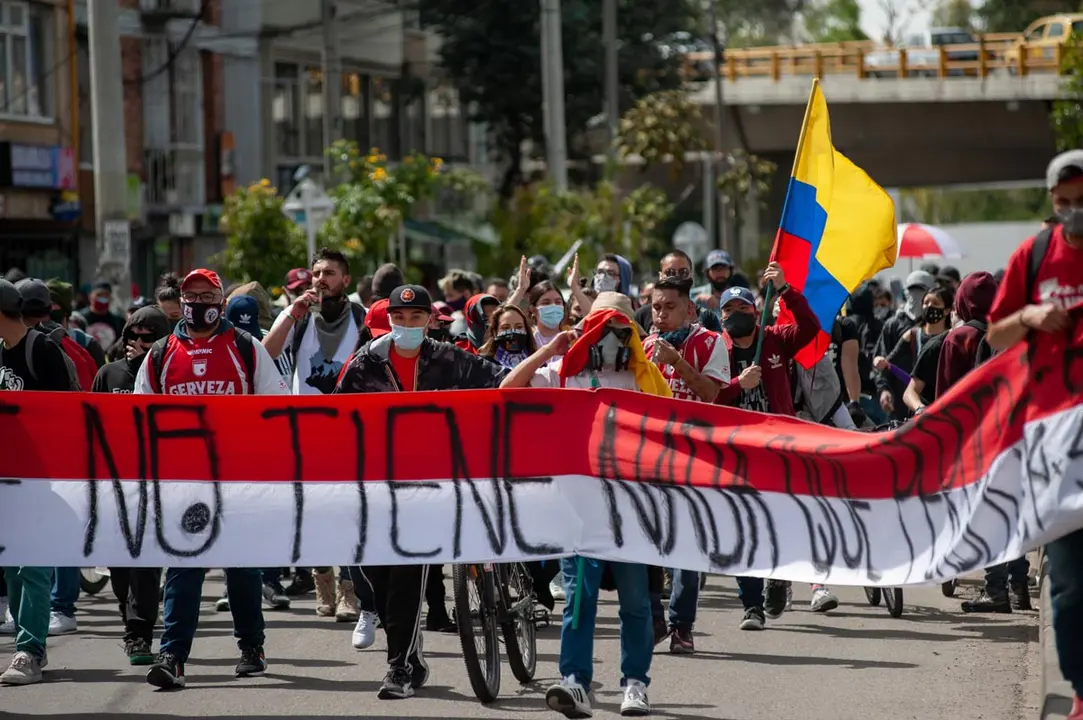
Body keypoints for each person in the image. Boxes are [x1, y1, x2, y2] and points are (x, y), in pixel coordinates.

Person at [500, 291, 668, 718]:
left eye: (618, 328)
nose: (609, 338)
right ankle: (575, 681)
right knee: (579, 597)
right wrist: (551, 351)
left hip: (631, 506)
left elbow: (675, 423)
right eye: (602, 326)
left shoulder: (644, 377)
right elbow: (507, 389)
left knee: (635, 599)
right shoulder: (563, 373)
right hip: (579, 505)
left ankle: (635, 683)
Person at [336, 284, 507, 700]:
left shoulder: (450, 360)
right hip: (379, 485)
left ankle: (397, 667)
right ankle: (410, 659)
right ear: (388, 319)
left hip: (434, 486)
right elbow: (337, 419)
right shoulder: (365, 364)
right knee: (376, 580)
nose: (407, 325)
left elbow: (501, 384)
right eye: (399, 318)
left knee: (406, 578)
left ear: (429, 320)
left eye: (416, 318)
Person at [134, 268, 288, 689]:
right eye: (191, 295)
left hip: (239, 478)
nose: (198, 302)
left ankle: (251, 647)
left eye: (207, 294)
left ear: (220, 301)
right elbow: (139, 414)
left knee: (242, 568)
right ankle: (173, 655)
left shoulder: (245, 347)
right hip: (184, 481)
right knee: (184, 566)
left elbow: (275, 407)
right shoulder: (162, 353)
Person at [986, 150, 1083, 718]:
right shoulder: (1034, 255)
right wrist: (1029, 317)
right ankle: (1080, 691)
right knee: (1069, 583)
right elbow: (995, 336)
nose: (1073, 213)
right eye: (1063, 203)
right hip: (1056, 447)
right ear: (1051, 202)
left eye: (1082, 202)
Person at [715, 265, 837, 625]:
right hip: (736, 450)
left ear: (756, 311)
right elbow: (707, 396)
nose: (737, 317)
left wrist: (785, 289)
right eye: (730, 312)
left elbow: (811, 329)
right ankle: (751, 604)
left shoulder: (776, 338)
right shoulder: (715, 348)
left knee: (779, 516)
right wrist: (738, 383)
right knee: (744, 525)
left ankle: (778, 574)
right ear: (721, 317)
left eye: (743, 310)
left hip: (778, 443)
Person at [642, 276, 730, 655]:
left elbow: (712, 393)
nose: (661, 315)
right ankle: (654, 617)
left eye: (669, 307)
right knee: (645, 547)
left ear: (690, 309)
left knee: (686, 548)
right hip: (649, 460)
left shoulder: (711, 344)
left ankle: (682, 624)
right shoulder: (642, 347)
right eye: (656, 307)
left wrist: (676, 362)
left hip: (694, 458)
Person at [0, 279, 71, 685]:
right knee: (13, 566)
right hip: (10, 478)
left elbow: (67, 417)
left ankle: (30, 651)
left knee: (34, 565)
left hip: (43, 479)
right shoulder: (1, 353)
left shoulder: (42, 350)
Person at [91, 305, 171, 665]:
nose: (137, 343)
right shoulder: (107, 375)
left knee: (145, 562)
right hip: (114, 482)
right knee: (119, 565)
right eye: (133, 336)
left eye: (147, 338)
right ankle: (130, 620)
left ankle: (138, 633)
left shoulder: (166, 374)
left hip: (154, 482)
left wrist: (147, 365)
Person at [874, 271, 936, 421]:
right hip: (899, 399)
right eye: (912, 290)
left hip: (930, 399)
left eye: (921, 290)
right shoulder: (893, 324)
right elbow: (884, 360)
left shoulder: (937, 323)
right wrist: (884, 390)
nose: (916, 295)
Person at [896, 286, 954, 413]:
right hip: (923, 408)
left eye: (935, 303)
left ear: (947, 310)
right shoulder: (913, 335)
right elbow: (891, 361)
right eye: (926, 302)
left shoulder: (952, 340)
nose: (929, 306)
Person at [636, 250, 723, 334]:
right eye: (670, 272)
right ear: (660, 276)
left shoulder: (707, 317)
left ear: (691, 275)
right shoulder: (642, 315)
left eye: (683, 272)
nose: (677, 277)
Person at [45, 279, 106, 368]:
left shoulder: (87, 344)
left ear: (65, 309)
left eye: (52, 303)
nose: (47, 309)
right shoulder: (35, 342)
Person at [77, 281, 125, 349]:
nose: (102, 299)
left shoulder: (118, 322)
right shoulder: (79, 319)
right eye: (99, 295)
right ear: (90, 296)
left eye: (106, 296)